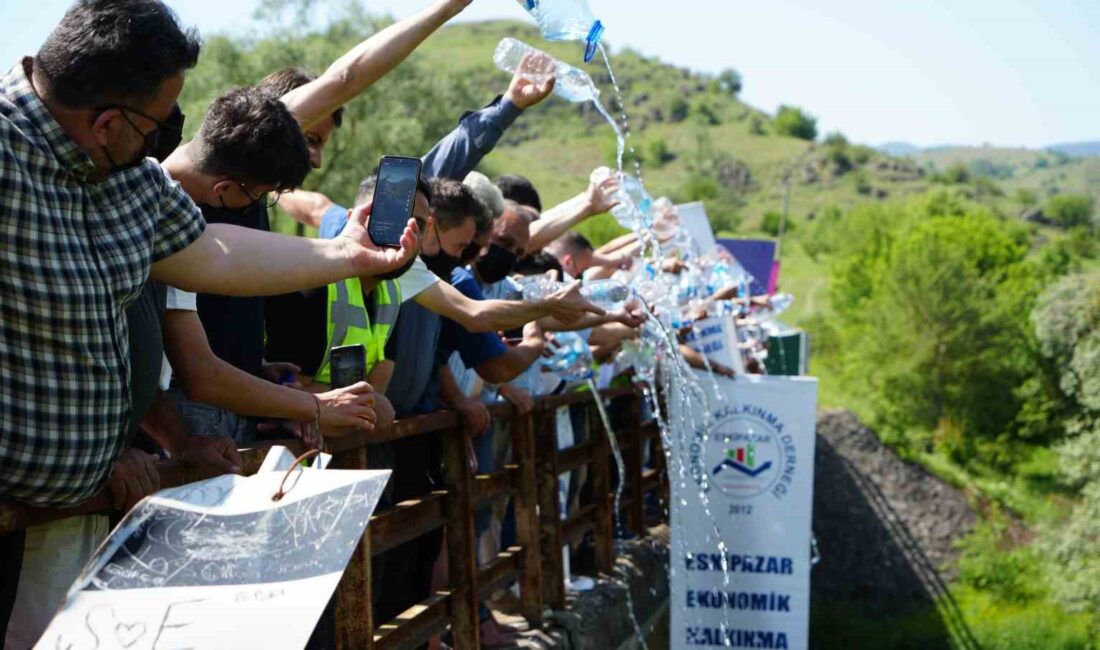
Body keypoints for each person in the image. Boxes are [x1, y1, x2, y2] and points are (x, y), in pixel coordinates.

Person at [0, 0, 416, 636]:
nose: (166, 141)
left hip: (65, 510)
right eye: (159, 123)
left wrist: (344, 254)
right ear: (108, 120)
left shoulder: (123, 176)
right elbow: (342, 79)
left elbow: (208, 250)